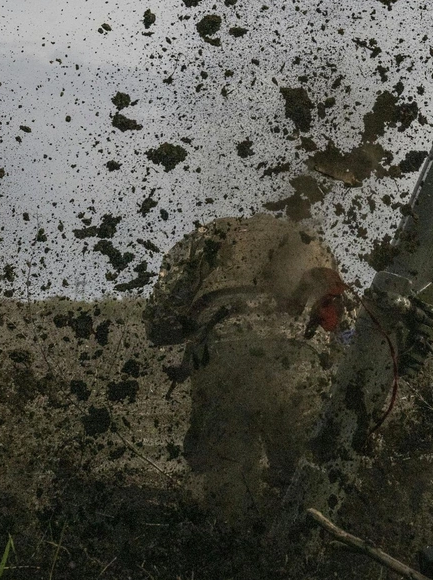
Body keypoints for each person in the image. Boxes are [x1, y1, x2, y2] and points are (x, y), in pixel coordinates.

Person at [143, 214, 350, 527]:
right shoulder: (308, 238)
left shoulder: (206, 237)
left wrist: (189, 328)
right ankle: (311, 551)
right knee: (311, 472)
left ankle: (231, 555)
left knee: (225, 479)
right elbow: (345, 328)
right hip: (299, 359)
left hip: (223, 352)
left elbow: (160, 320)